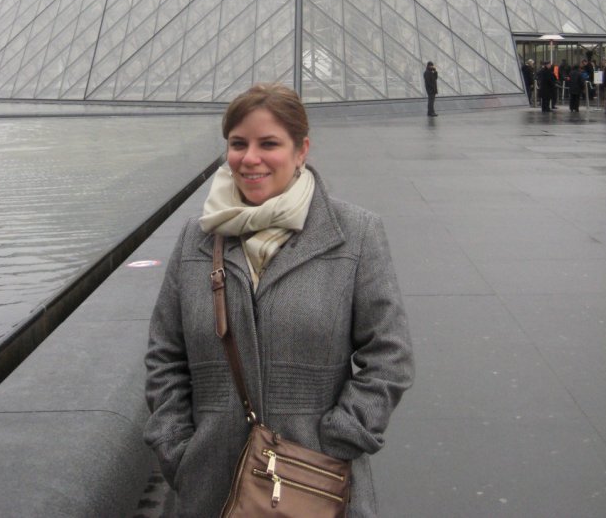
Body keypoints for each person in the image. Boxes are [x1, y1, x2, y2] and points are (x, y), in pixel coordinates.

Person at [143, 83, 414, 518]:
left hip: (316, 482)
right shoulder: (197, 238)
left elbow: (390, 355)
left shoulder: (356, 233)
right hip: (209, 488)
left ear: (301, 149)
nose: (250, 158)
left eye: (268, 143)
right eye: (238, 144)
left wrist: (341, 436)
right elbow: (165, 354)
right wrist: (177, 449)